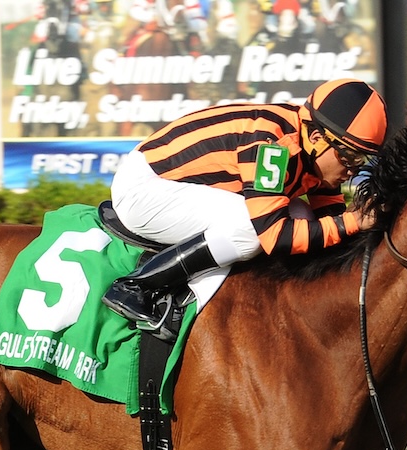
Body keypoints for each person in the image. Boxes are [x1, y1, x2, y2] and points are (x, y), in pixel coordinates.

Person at [103, 78, 387, 331]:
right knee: (250, 229)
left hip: (175, 184)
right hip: (144, 189)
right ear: (316, 138)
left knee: (302, 215)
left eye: (362, 160)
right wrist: (353, 221)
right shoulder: (273, 147)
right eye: (349, 157)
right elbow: (274, 236)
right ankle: (137, 286)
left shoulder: (316, 146)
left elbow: (331, 219)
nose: (352, 170)